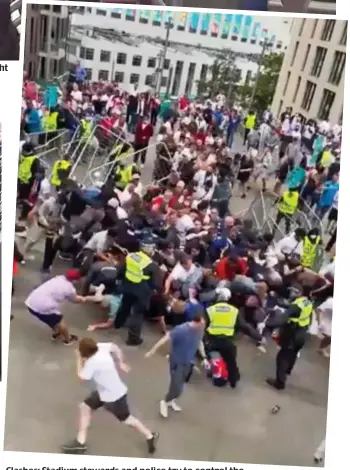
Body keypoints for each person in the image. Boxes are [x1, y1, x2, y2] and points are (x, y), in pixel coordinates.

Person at [62, 337, 159, 454]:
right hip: (105, 391)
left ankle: (149, 435)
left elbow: (81, 377)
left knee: (127, 419)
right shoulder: (101, 348)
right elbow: (115, 347)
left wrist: (78, 359)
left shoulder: (93, 363)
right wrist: (120, 362)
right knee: (85, 407)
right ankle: (80, 442)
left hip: (113, 397)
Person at [145, 314, 206, 418]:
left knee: (180, 384)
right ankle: (164, 402)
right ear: (196, 322)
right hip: (177, 362)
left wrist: (204, 357)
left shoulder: (199, 330)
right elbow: (165, 338)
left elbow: (199, 342)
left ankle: (170, 401)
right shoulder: (181, 330)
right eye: (202, 324)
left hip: (188, 361)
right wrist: (152, 351)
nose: (203, 327)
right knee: (177, 387)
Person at [114, 235, 162, 345]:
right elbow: (156, 284)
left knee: (124, 306)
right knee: (137, 314)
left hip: (127, 286)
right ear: (150, 249)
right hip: (142, 292)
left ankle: (117, 324)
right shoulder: (151, 265)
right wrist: (157, 291)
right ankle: (133, 339)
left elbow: (120, 270)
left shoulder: (130, 256)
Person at [266, 286, 313, 390]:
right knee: (294, 353)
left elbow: (283, 318)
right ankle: (288, 370)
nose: (291, 292)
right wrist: (280, 302)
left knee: (282, 357)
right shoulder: (307, 301)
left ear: (300, 292)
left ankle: (280, 383)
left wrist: (269, 324)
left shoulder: (296, 306)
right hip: (302, 333)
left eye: (294, 291)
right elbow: (295, 309)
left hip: (292, 333)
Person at [24, 269, 84, 344]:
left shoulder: (58, 278)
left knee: (52, 320)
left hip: (31, 303)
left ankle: (56, 333)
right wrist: (83, 299)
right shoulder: (69, 288)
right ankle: (67, 339)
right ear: (75, 280)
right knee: (59, 321)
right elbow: (75, 300)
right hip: (42, 307)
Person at [205, 288, 241, 388]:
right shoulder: (234, 310)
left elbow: (204, 325)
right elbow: (241, 325)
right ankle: (233, 381)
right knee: (231, 361)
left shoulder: (210, 309)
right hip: (228, 341)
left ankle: (214, 373)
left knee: (212, 356)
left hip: (213, 341)